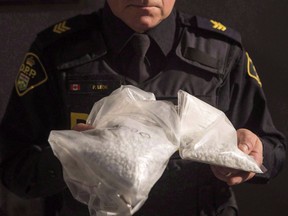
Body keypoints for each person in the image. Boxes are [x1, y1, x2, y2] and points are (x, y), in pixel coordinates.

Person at [0, 0, 286, 215]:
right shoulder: (56, 51)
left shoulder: (221, 52)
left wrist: (251, 153)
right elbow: (12, 164)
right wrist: (71, 159)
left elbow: (273, 151)